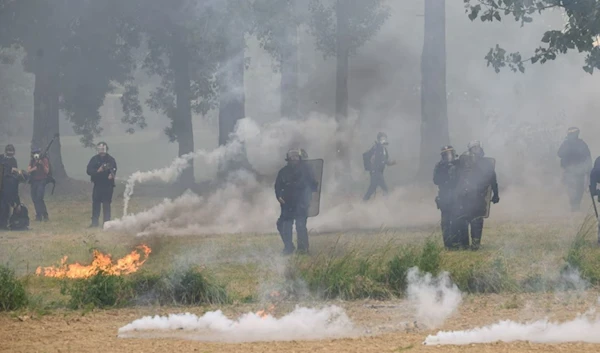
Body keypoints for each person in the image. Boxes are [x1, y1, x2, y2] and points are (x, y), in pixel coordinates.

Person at [453, 141, 500, 250]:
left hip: (479, 196)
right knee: (462, 220)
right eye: (474, 148)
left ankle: (475, 245)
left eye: (477, 148)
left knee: (477, 220)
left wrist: (495, 194)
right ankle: (463, 245)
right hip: (463, 196)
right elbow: (454, 179)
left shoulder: (486, 164)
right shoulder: (461, 163)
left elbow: (493, 180)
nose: (476, 150)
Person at [275, 148, 318, 255]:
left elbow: (313, 185)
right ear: (288, 158)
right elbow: (278, 186)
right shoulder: (283, 171)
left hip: (301, 202)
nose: (294, 158)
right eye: (291, 156)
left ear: (299, 157)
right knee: (283, 225)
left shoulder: (307, 170)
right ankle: (288, 247)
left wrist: (307, 194)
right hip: (287, 203)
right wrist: (279, 196)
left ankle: (302, 249)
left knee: (300, 225)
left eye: (296, 156)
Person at [558, 127, 592, 211]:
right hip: (569, 171)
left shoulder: (581, 144)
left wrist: (588, 171)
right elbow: (559, 153)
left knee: (578, 189)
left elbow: (587, 157)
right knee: (571, 188)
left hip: (578, 171)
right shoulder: (566, 144)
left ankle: (575, 205)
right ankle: (574, 205)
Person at [86, 141, 117, 228]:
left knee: (106, 204)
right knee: (96, 204)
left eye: (103, 149)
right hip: (97, 185)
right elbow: (88, 171)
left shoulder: (111, 159)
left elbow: (114, 169)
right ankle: (94, 223)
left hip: (108, 186)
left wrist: (112, 174)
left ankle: (106, 223)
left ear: (106, 149)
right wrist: (98, 171)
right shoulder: (94, 159)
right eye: (100, 149)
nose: (101, 151)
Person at [433, 145, 458, 249]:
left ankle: (457, 242)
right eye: (447, 154)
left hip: (457, 194)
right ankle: (448, 244)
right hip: (444, 195)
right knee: (446, 221)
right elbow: (435, 180)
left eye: (450, 153)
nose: (449, 156)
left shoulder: (458, 164)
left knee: (457, 220)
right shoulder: (439, 166)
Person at [363, 132, 396, 201]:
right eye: (382, 139)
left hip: (378, 172)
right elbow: (379, 160)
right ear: (378, 140)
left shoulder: (384, 150)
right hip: (375, 172)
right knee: (385, 188)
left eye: (384, 139)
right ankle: (386, 203)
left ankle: (364, 201)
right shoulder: (377, 148)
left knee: (372, 188)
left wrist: (392, 163)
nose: (383, 140)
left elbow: (385, 161)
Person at [0, 145, 22, 229]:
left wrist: (17, 202)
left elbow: (13, 179)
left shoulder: (13, 161)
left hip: (7, 186)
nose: (10, 154)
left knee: (5, 206)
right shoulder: (1, 158)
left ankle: (4, 224)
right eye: (9, 152)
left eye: (11, 152)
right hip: (3, 186)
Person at [27, 146, 50, 221]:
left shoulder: (44, 160)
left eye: (37, 152)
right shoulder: (32, 161)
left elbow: (47, 171)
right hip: (34, 181)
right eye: (34, 153)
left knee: (39, 198)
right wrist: (34, 168)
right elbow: (28, 170)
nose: (36, 154)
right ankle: (39, 215)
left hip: (41, 181)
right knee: (34, 198)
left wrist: (42, 164)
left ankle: (44, 214)